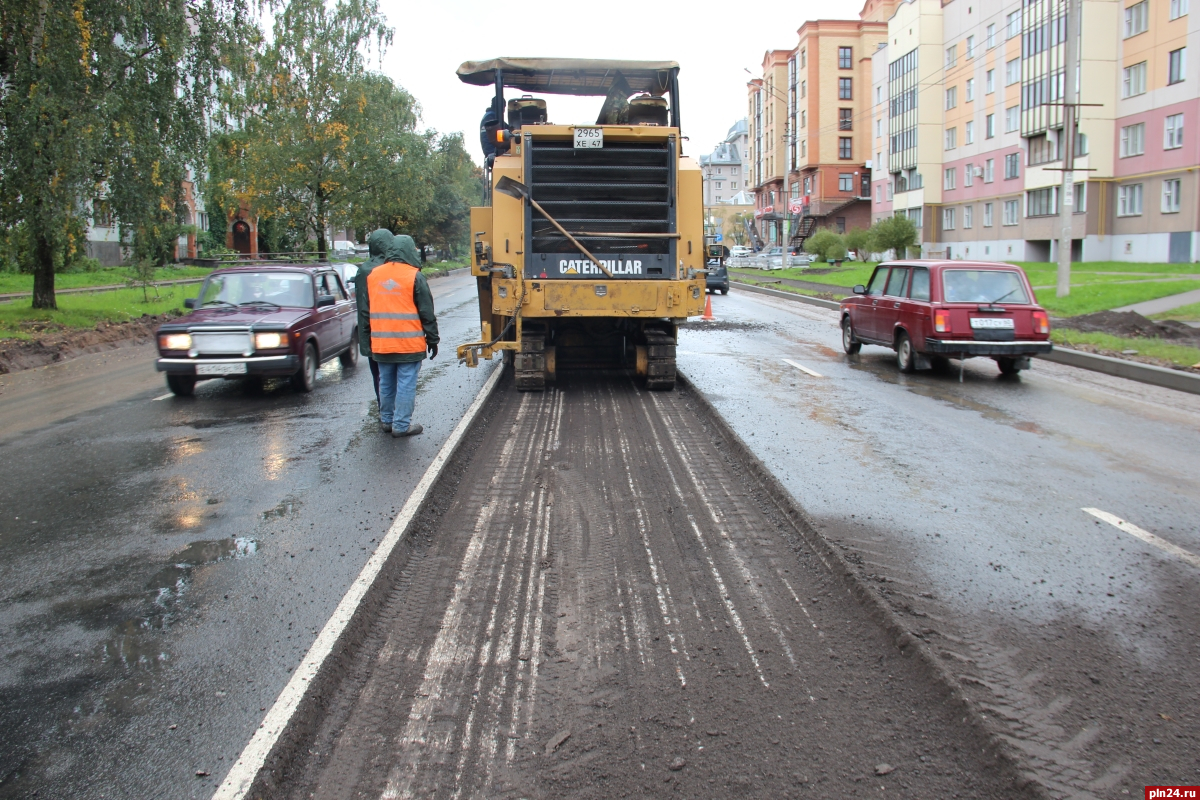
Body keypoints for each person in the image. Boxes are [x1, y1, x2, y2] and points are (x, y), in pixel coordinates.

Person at [363, 235, 439, 437]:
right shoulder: (414, 276)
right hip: (408, 344)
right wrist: (433, 340)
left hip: (381, 344)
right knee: (405, 385)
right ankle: (401, 425)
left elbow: (368, 308)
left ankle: (387, 421)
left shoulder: (373, 276)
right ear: (409, 251)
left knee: (386, 384)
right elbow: (426, 313)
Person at [354, 229, 395, 403]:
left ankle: (383, 408)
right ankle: (394, 412)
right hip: (394, 333)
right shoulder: (393, 268)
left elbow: (363, 307)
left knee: (378, 374)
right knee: (396, 374)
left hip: (371, 333)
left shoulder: (364, 270)